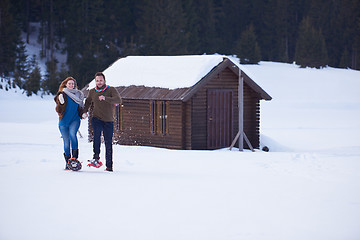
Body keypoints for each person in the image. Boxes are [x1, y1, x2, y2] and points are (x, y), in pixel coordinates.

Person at [83, 72, 121, 172]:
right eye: (97, 81)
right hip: (96, 118)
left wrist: (105, 98)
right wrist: (84, 112)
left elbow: (118, 100)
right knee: (96, 136)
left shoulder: (111, 89)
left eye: (101, 80)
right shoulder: (92, 91)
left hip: (108, 120)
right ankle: (96, 157)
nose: (99, 82)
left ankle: (109, 166)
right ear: (95, 81)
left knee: (108, 143)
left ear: (104, 81)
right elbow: (87, 102)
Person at [54, 77, 86, 170]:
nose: (71, 85)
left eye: (73, 84)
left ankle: (74, 160)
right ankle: (68, 163)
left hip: (74, 120)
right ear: (66, 85)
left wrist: (83, 114)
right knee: (66, 142)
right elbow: (58, 109)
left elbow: (80, 108)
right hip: (63, 122)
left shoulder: (79, 94)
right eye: (69, 84)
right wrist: (60, 102)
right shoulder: (62, 94)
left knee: (73, 134)